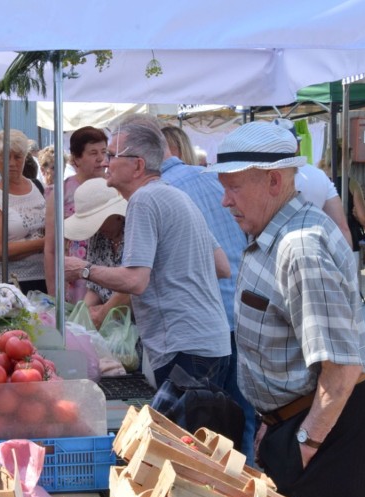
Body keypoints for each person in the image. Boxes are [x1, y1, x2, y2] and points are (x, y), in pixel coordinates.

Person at [211, 121, 365, 497]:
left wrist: (305, 443)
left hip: (330, 419)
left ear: (274, 180)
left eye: (233, 188)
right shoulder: (272, 235)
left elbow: (341, 368)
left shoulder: (300, 245)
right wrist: (275, 421)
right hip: (301, 417)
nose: (225, 200)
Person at [64, 114, 231, 388]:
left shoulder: (143, 200)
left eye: (113, 154)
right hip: (211, 342)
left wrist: (83, 269)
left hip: (183, 346)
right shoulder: (175, 195)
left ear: (138, 165)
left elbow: (135, 282)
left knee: (179, 431)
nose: (105, 161)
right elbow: (221, 266)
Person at [160, 124, 256, 463]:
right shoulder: (208, 179)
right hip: (241, 307)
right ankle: (255, 491)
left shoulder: (161, 191)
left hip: (202, 321)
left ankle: (224, 496)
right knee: (244, 414)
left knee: (207, 427)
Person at [44, 126, 108, 301]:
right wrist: (53, 294)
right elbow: (50, 247)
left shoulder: (113, 187)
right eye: (93, 153)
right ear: (76, 159)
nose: (101, 158)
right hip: (74, 277)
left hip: (109, 274)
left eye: (104, 151)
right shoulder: (61, 192)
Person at [0, 128, 47, 294]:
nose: (11, 163)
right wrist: (44, 243)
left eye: (17, 157)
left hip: (46, 276)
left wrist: (18, 248)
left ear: (26, 157)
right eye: (5, 157)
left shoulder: (39, 187)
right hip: (11, 283)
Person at [273, 118, 352, 248]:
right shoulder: (319, 176)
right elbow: (342, 227)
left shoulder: (264, 180)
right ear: (298, 147)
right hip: (315, 252)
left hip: (278, 254)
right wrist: (348, 266)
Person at [63, 177, 130, 327]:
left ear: (117, 215)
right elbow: (95, 288)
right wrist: (80, 318)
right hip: (112, 325)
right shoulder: (98, 237)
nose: (97, 228)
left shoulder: (135, 230)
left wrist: (102, 314)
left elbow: (131, 287)